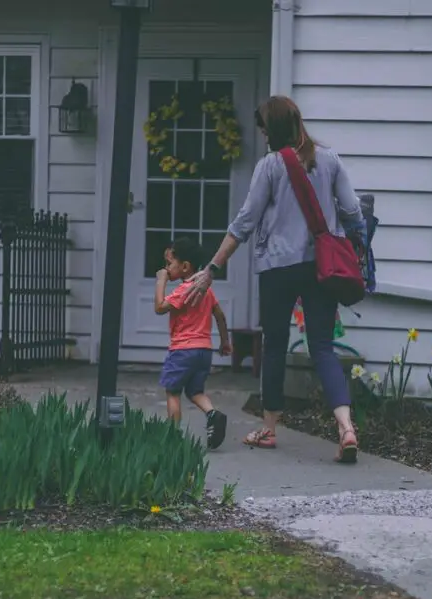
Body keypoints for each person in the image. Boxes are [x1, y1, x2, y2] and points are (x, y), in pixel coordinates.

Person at [182, 95, 364, 463]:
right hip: (320, 268)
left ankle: (269, 429)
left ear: (275, 128)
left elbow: (244, 224)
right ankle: (345, 427)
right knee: (323, 347)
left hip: (278, 269)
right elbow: (352, 212)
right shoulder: (329, 160)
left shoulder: (269, 167)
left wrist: (212, 268)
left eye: (264, 126)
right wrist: (354, 245)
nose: (261, 133)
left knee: (275, 346)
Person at [154, 236, 231, 449]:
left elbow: (160, 307)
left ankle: (172, 436)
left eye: (170, 264)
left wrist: (161, 281)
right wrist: (225, 342)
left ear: (185, 266)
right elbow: (220, 315)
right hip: (204, 350)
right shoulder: (205, 289)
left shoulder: (183, 290)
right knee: (195, 391)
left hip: (182, 351)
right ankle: (212, 414)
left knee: (173, 392)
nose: (166, 269)